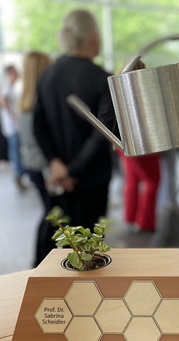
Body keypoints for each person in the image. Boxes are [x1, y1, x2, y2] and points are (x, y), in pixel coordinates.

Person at [33, 9, 116, 240]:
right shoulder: (102, 78)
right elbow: (103, 134)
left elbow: (38, 127)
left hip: (58, 180)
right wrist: (73, 171)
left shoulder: (47, 75)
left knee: (61, 249)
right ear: (92, 37)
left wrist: (56, 164)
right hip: (92, 182)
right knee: (90, 250)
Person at [17, 51, 53, 265]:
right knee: (52, 215)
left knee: (49, 213)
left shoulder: (25, 98)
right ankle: (40, 262)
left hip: (32, 164)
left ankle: (39, 262)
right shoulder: (39, 101)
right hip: (43, 166)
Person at [117, 59, 160, 233]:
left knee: (132, 180)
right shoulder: (143, 96)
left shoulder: (119, 93)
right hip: (143, 145)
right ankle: (145, 222)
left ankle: (130, 218)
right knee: (152, 181)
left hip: (123, 144)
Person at [0, 64, 26, 190]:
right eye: (14, 72)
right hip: (13, 126)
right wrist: (14, 117)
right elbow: (2, 101)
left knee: (17, 152)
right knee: (15, 153)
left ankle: (19, 176)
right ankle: (18, 176)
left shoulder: (11, 88)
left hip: (14, 125)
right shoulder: (7, 88)